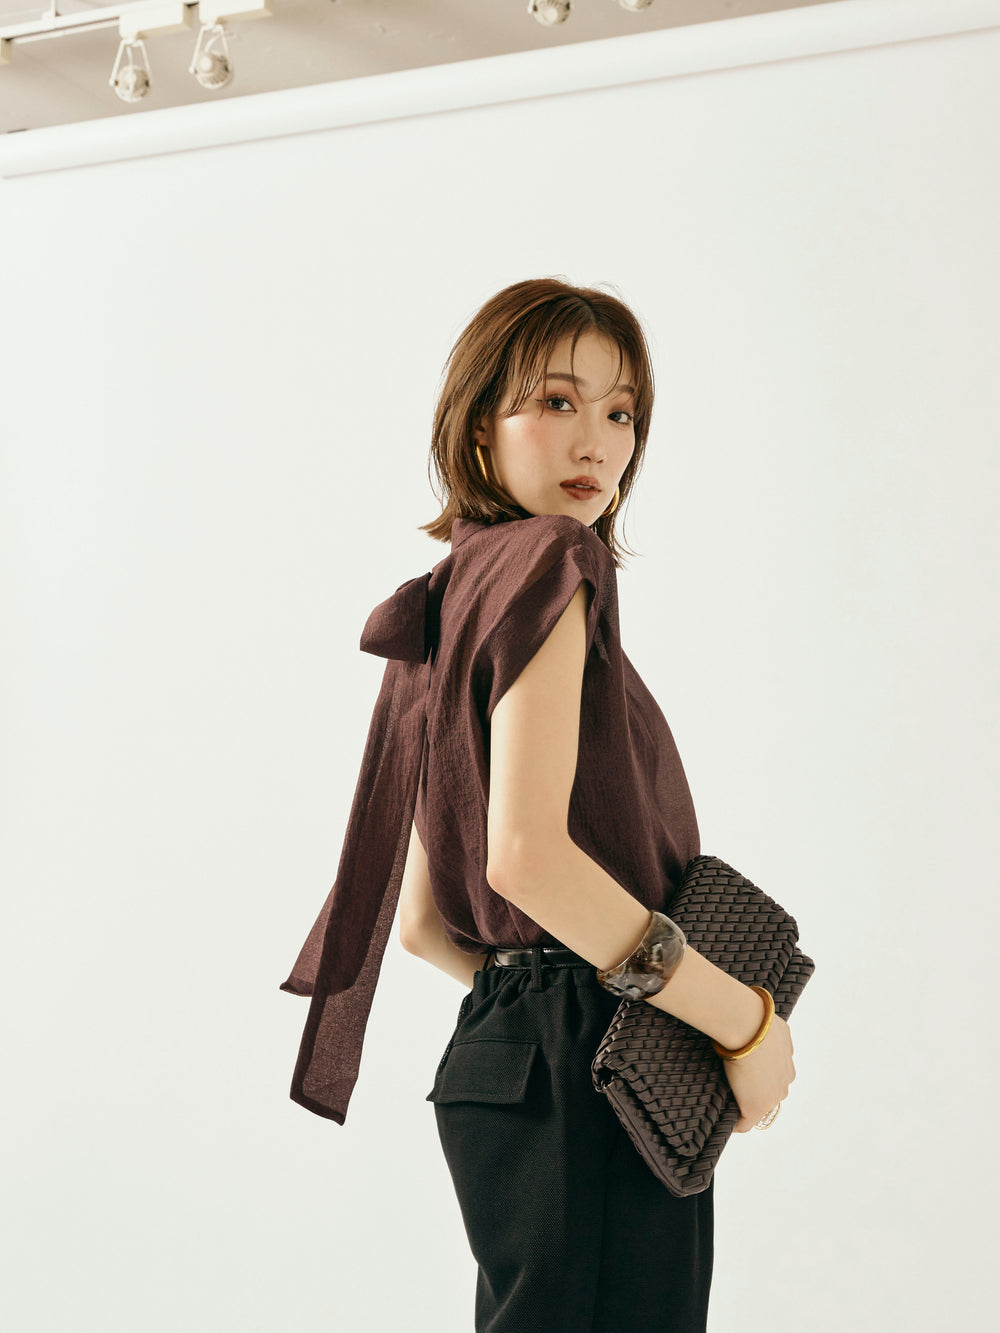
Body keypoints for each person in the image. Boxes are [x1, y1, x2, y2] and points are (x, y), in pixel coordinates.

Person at [281, 276, 795, 1332]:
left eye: (621, 412)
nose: (596, 441)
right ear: (480, 426)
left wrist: (535, 1002)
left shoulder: (443, 599)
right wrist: (742, 1027)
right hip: (596, 1066)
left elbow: (426, 924)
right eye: (557, 401)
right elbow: (526, 861)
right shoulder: (558, 559)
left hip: (495, 1064)